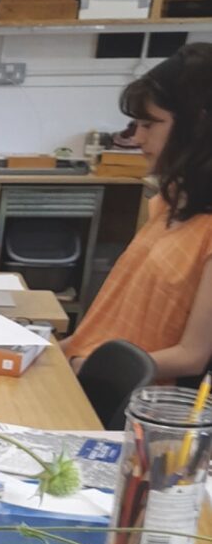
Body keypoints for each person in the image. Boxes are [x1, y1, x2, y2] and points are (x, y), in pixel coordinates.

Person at [62, 42, 212, 382]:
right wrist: (62, 350)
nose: (137, 137)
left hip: (136, 403)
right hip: (89, 373)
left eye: (150, 124)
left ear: (198, 127)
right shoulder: (167, 206)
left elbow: (192, 357)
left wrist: (91, 369)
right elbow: (115, 314)